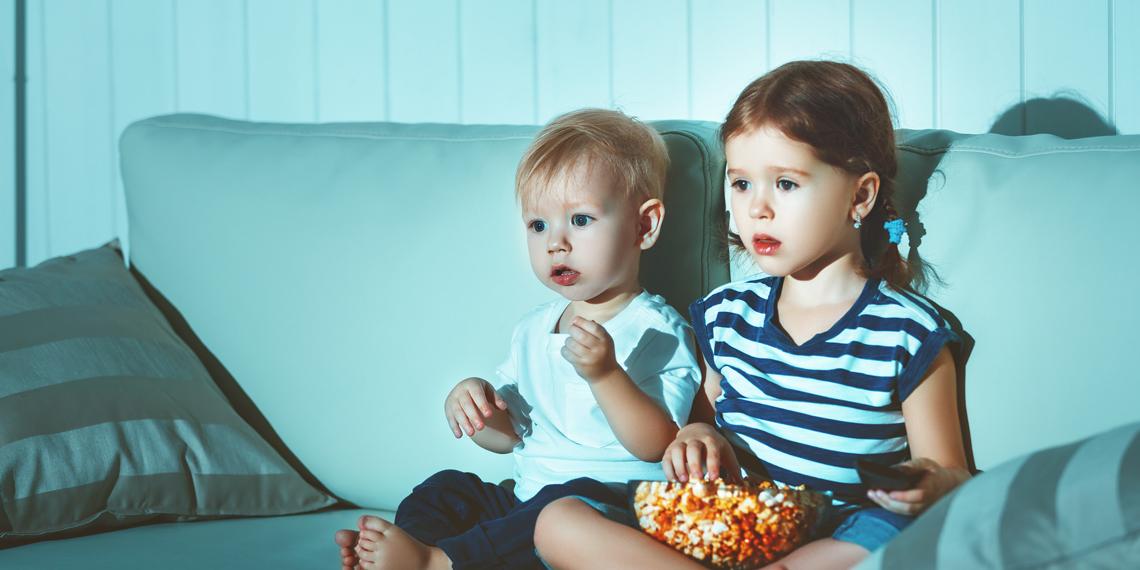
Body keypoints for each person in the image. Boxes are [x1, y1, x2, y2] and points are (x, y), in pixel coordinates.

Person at [534, 61, 973, 570]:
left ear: (860, 195)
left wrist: (926, 483)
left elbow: (950, 472)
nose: (757, 209)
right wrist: (696, 440)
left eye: (785, 184)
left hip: (839, 527)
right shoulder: (726, 317)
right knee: (558, 519)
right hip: (728, 527)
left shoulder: (906, 332)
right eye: (741, 185)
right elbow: (699, 426)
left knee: (894, 533)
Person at [333, 108, 702, 570]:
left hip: (609, 510)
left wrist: (606, 375)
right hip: (526, 504)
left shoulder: (656, 328)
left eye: (581, 220)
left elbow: (658, 442)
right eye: (538, 225)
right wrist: (478, 409)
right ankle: (409, 546)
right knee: (449, 488)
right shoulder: (533, 328)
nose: (556, 243)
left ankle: (436, 562)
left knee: (562, 507)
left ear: (643, 226)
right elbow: (510, 438)